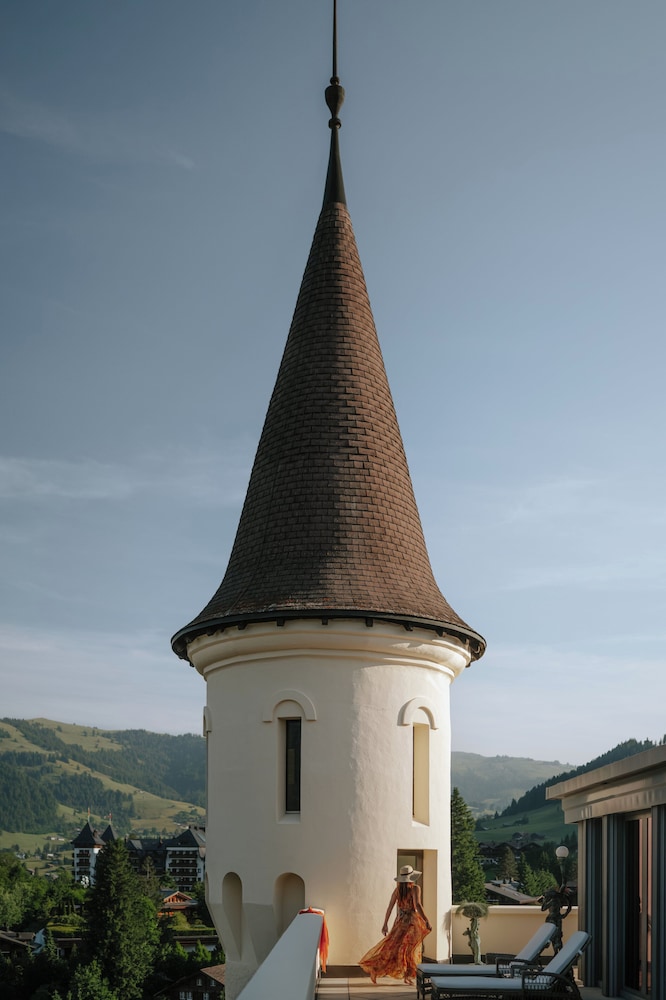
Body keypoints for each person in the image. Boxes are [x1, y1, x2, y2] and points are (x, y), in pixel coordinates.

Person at [359, 865, 432, 985]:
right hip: (412, 923)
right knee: (410, 950)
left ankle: (376, 969)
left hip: (400, 922)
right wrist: (426, 920)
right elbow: (417, 905)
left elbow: (390, 907)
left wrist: (385, 924)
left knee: (392, 948)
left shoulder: (398, 890)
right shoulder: (415, 888)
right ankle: (407, 976)